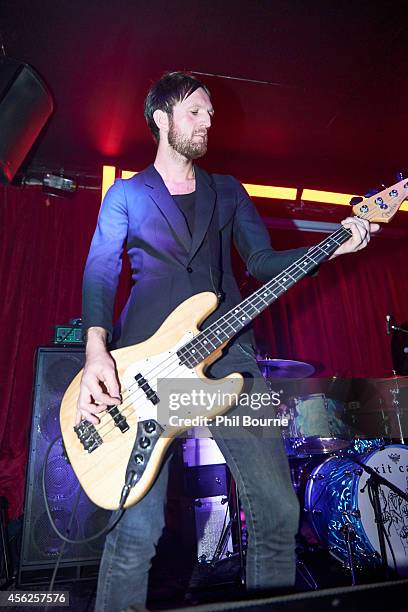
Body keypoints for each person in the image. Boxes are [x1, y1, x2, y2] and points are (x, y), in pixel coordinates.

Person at [77, 71, 377, 611]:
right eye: (196, 111)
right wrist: (97, 348)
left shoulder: (227, 190)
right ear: (161, 119)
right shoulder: (125, 193)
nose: (209, 120)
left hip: (231, 352)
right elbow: (101, 270)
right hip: (144, 366)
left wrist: (334, 246)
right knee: (135, 532)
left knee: (278, 510)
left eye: (211, 112)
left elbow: (261, 262)